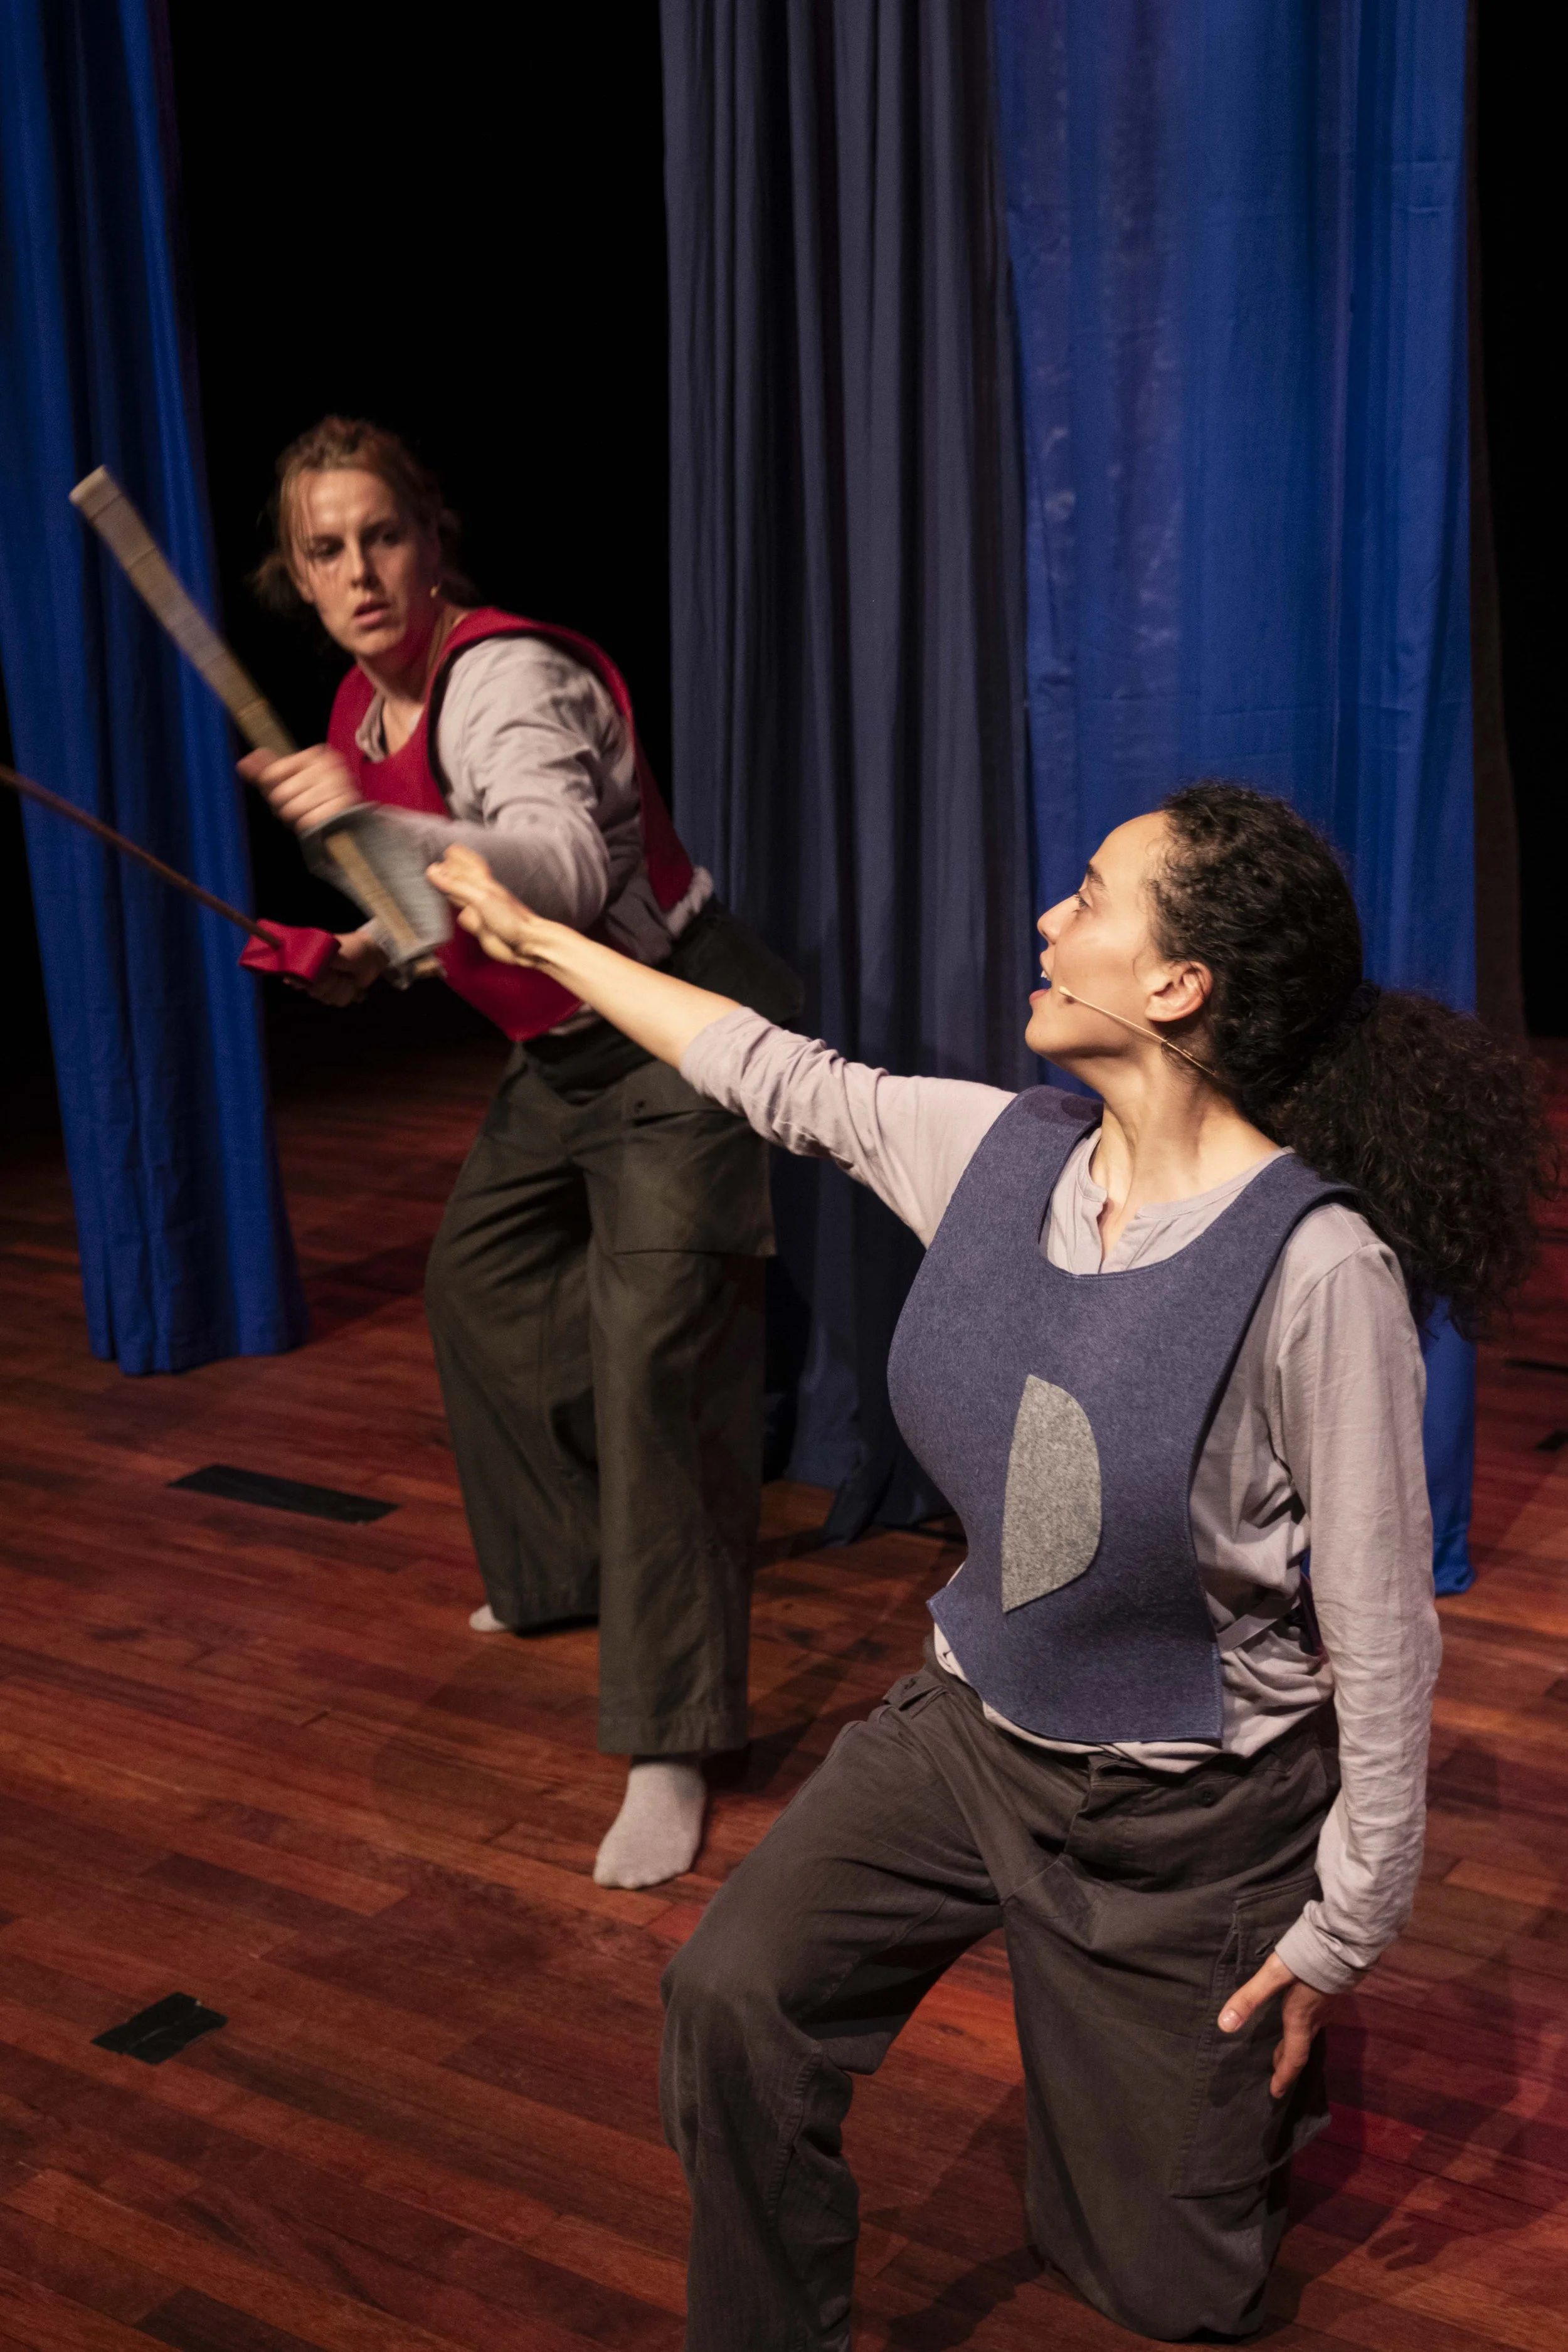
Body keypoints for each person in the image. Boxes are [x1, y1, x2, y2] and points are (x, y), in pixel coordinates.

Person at [427, 785, 1550, 2349]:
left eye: (1089, 895)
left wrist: (1340, 1926)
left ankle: (1221, 2086)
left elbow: (1380, 1636)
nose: (1046, 918)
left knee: (1162, 2289)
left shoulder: (1316, 1270)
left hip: (1185, 1823)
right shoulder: (992, 1151)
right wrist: (547, 939)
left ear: (1178, 985)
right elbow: (764, 1070)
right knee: (729, 1999)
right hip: (968, 1745)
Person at [241, 418, 800, 1891]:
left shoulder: (504, 679)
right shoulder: (364, 717)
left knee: (654, 1368)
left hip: (678, 1028)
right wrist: (367, 951)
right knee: (477, 1288)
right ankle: (565, 1578)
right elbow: (445, 910)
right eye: (324, 550)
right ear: (295, 578)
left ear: (431, 541)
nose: (359, 572)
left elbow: (550, 862)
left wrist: (376, 824)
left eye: (382, 537)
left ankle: (674, 1737)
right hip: (558, 1057)